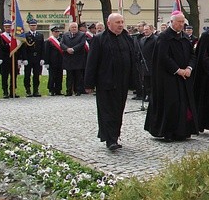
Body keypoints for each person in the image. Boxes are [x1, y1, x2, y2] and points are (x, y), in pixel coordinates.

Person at [84, 13, 136, 151]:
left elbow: (133, 59)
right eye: (117, 22)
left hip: (122, 82)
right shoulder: (99, 39)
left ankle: (115, 135)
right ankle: (110, 139)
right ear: (109, 24)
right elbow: (92, 62)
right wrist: (89, 84)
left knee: (118, 110)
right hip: (105, 82)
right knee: (107, 111)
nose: (120, 25)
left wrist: (135, 80)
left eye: (122, 22)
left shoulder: (127, 39)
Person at [144, 12, 199, 141]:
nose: (181, 25)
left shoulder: (185, 37)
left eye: (182, 22)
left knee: (184, 104)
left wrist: (189, 68)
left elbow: (192, 55)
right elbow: (163, 57)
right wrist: (177, 70)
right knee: (170, 104)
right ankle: (168, 131)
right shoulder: (163, 37)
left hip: (185, 77)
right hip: (168, 78)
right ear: (172, 22)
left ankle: (183, 131)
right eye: (179, 22)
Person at [18, 19, 44, 97]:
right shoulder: (25, 35)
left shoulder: (40, 35)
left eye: (34, 25)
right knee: (27, 75)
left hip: (37, 58)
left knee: (36, 75)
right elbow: (23, 48)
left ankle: (36, 90)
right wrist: (24, 58)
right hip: (29, 58)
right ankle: (28, 90)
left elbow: (42, 48)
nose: (33, 27)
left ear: (36, 26)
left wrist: (42, 58)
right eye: (32, 25)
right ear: (29, 26)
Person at [61, 22, 88, 96]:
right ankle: (69, 91)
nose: (74, 28)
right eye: (72, 27)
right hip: (68, 58)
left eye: (75, 27)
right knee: (69, 76)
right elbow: (62, 44)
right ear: (70, 28)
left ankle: (78, 91)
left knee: (78, 76)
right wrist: (67, 49)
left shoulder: (82, 35)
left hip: (78, 58)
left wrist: (73, 49)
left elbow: (82, 44)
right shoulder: (65, 35)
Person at [0, 20, 20, 98]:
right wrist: (9, 45)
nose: (8, 28)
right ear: (4, 27)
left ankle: (13, 91)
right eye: (6, 27)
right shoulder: (1, 36)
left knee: (14, 76)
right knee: (4, 76)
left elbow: (19, 48)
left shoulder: (14, 36)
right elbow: (0, 48)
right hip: (5, 59)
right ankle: (5, 91)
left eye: (9, 27)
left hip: (13, 59)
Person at [138, 24, 157, 101]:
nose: (145, 31)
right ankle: (147, 94)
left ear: (151, 30)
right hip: (143, 64)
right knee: (145, 81)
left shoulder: (155, 39)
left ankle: (152, 96)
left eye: (147, 29)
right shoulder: (142, 40)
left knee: (152, 81)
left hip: (152, 64)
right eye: (144, 29)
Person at [44, 25, 64, 96]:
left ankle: (58, 90)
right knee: (52, 76)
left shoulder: (61, 40)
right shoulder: (49, 41)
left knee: (59, 76)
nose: (57, 33)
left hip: (60, 61)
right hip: (52, 61)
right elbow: (46, 52)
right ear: (52, 32)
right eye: (55, 32)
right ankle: (51, 90)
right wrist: (46, 62)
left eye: (58, 31)